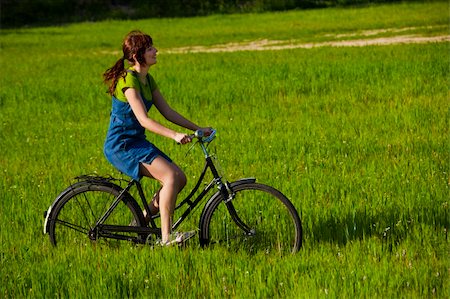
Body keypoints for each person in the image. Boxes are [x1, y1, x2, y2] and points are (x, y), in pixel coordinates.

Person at [103, 30, 212, 246]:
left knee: (179, 178)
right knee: (170, 177)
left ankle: (141, 221)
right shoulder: (128, 80)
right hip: (122, 146)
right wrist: (174, 135)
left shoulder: (147, 80)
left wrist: (198, 128)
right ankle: (166, 238)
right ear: (136, 55)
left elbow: (167, 112)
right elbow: (143, 120)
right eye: (150, 48)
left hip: (137, 143)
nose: (156, 51)